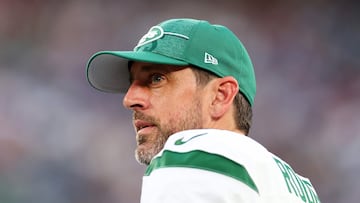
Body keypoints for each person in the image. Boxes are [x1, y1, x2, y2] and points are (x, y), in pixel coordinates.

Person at [86, 18, 320, 203]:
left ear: (220, 96)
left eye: (156, 78)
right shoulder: (297, 185)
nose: (129, 99)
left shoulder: (193, 153)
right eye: (132, 83)